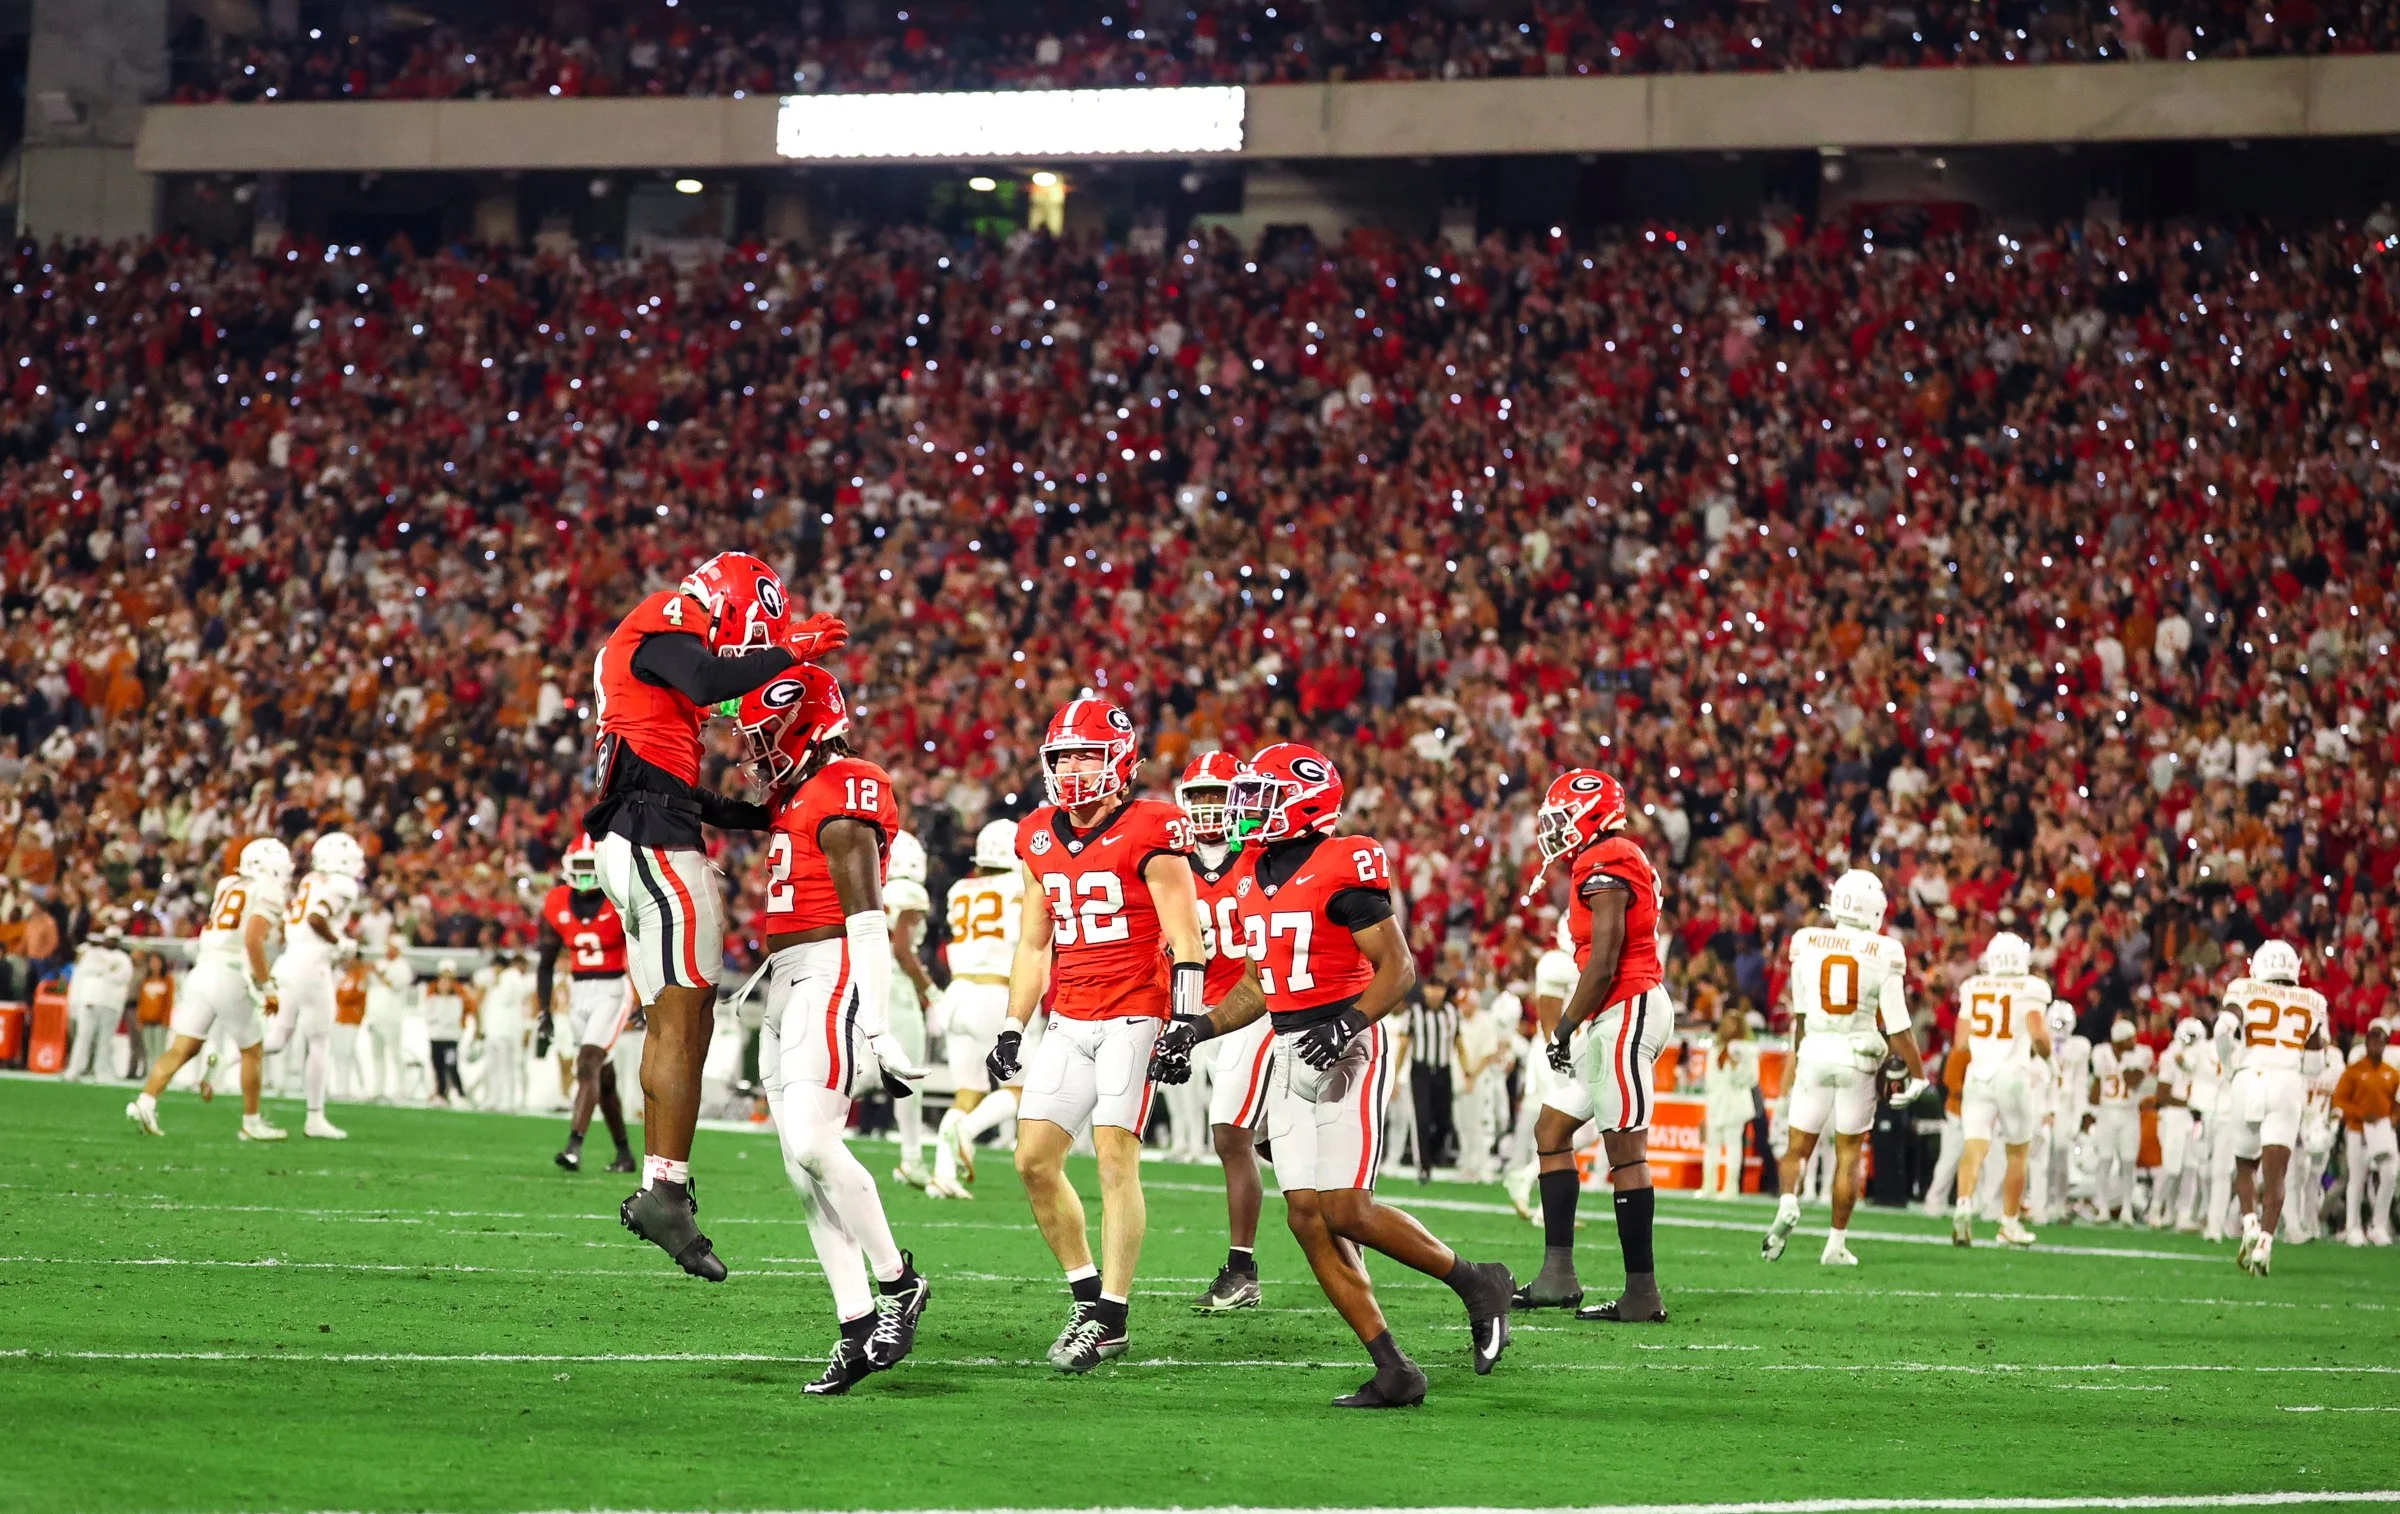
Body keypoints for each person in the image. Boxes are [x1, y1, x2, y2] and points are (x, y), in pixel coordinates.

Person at [1152, 743, 1515, 1407]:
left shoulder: (1344, 861)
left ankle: (1475, 1280)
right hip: (1293, 1049)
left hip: (1347, 1047)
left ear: (1304, 801)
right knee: (1307, 1219)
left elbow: (1398, 968)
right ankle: (1393, 1368)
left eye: (1262, 795)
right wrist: (1198, 1027)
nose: (1246, 810)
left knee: (1346, 1208)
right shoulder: (1253, 875)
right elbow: (1262, 985)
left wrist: (1345, 1024)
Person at [585, 551, 846, 1282]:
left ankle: (664, 1181)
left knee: (681, 1015)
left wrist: (747, 815)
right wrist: (790, 648)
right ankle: (665, 1188)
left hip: (641, 830)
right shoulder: (671, 613)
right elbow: (706, 677)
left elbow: (669, 772)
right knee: (683, 1011)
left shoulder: (653, 672)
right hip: (650, 838)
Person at [985, 697, 1203, 1373]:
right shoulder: (1037, 835)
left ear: (1123, 763)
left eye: (1089, 754)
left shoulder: (1153, 826)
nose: (1076, 769)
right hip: (1069, 1015)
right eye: (1065, 755)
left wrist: (1186, 1022)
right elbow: (1032, 942)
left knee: (1114, 1156)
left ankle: (1112, 1317)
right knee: (1033, 1161)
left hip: (1135, 1012)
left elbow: (1185, 934)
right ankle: (1086, 1294)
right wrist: (1013, 1023)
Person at [730, 664, 931, 1395]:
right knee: (796, 1166)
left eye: (764, 733)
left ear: (804, 724)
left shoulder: (848, 783)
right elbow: (735, 811)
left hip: (833, 968)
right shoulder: (799, 792)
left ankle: (899, 1282)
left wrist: (877, 1028)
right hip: (785, 980)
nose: (756, 751)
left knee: (816, 1146)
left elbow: (870, 922)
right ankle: (853, 1325)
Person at [1515, 768, 1676, 1321]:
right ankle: (1558, 1276)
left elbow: (1605, 959)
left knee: (1624, 1148)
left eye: (1562, 817)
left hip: (1627, 1005)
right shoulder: (1602, 857)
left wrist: (1563, 1028)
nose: (1555, 830)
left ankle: (1642, 1293)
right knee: (1551, 1129)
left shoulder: (1608, 856)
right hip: (1613, 1011)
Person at [1761, 867, 1929, 1267]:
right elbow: (1899, 1025)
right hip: (1857, 1058)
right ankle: (1835, 1244)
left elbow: (1800, 1016)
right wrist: (1919, 1075)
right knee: (1849, 1153)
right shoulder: (1883, 951)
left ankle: (1787, 1202)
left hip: (1815, 1051)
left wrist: (1799, 1062)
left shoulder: (1806, 941)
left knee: (1798, 1146)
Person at [1175, 751, 1276, 1311]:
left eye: (1221, 794)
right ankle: (1329, 1210)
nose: (1211, 807)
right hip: (1201, 1016)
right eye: (1201, 796)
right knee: (1261, 1139)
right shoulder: (1172, 861)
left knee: (1229, 1134)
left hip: (1252, 1010)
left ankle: (1242, 1268)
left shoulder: (1262, 857)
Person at [127, 838, 293, 1141]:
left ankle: (145, 1101)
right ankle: (251, 1121)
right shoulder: (268, 890)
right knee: (253, 1050)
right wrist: (267, 986)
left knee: (183, 1047)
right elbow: (252, 939)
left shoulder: (227, 884)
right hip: (227, 974)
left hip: (202, 970)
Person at [928, 818, 1025, 1200]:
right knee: (1022, 1090)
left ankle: (941, 1174)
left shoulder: (959, 888)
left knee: (967, 1092)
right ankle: (965, 1133)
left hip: (956, 995)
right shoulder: (1020, 885)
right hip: (993, 994)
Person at [2223, 938, 2330, 1276]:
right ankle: (2266, 1242)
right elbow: (2314, 1066)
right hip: (2287, 1081)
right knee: (2278, 1174)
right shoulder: (2313, 1000)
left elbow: (2222, 1030)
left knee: (2244, 1163)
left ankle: (2249, 1221)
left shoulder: (2244, 988)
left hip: (2249, 1075)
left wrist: (2229, 1065)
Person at [538, 834, 637, 1172]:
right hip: (579, 991)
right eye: (578, 866)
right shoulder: (556, 902)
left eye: (589, 865)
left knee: (587, 1062)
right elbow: (546, 961)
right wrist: (544, 1010)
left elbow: (640, 952)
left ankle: (573, 1146)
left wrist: (642, 998)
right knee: (602, 1078)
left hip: (612, 989)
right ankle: (624, 1153)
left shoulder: (619, 899)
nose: (583, 874)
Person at [1950, 931, 2054, 1248]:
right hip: (2012, 1074)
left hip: (1978, 1075)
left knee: (1974, 1146)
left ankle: (1964, 1204)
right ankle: (2009, 1223)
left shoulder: (1974, 986)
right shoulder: (2031, 987)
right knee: (2018, 1152)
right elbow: (2038, 1036)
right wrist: (2047, 1055)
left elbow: (1960, 1042)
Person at [261, 832, 366, 1140]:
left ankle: (234, 1054)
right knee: (318, 1041)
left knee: (277, 1039)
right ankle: (315, 1117)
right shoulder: (341, 884)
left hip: (289, 961)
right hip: (311, 967)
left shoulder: (310, 880)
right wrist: (341, 943)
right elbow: (316, 919)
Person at [1503, 916, 1581, 1223]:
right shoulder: (1557, 962)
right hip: (1557, 1053)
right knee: (1560, 1129)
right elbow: (1550, 1019)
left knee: (1575, 1129)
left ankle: (1534, 1188)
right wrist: (1561, 1056)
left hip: (1573, 1051)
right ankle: (1537, 1192)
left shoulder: (1576, 961)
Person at [881, 829, 938, 1191]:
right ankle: (912, 1159)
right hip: (897, 991)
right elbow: (903, 949)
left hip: (866, 982)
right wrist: (928, 989)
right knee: (908, 1077)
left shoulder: (879, 888)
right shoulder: (912, 893)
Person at [2332, 1023, 2396, 1245]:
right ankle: (2353, 1227)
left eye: (2381, 1042)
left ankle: (2379, 1225)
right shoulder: (2354, 1071)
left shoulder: (2391, 1072)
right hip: (2358, 1130)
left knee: (2389, 1175)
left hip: (2382, 1131)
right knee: (2357, 1178)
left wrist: (2393, 1120)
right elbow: (2338, 1100)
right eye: (2373, 1041)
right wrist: (2359, 1113)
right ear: (2367, 1043)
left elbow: (2396, 1102)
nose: (2377, 1046)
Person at [2088, 1018, 2153, 1223]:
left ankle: (2126, 1208)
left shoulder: (2142, 1054)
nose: (2134, 1041)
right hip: (2107, 1111)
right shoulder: (2101, 1052)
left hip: (2129, 1112)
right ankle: (2102, 1207)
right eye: (2130, 1038)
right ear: (2119, 1040)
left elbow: (2133, 1080)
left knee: (2128, 1161)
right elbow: (2097, 1084)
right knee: (2104, 1160)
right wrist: (2091, 1111)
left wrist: (2122, 1064)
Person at [2149, 1017, 2209, 1229]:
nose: (2191, 1041)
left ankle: (2183, 1214)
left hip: (2193, 1118)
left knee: (2191, 1167)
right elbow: (2162, 1096)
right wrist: (2192, 1103)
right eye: (2188, 1036)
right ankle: (2156, 1209)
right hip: (2174, 1116)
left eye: (2194, 1037)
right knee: (2171, 1167)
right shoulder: (2170, 1056)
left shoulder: (2205, 1057)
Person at [1454, 982, 1515, 1185]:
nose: (1462, 1007)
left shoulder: (1485, 1021)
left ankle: (1483, 1166)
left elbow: (1488, 1053)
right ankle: (1467, 1164)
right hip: (1460, 1078)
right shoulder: (1457, 1021)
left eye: (1465, 1003)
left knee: (1480, 1124)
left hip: (1481, 1080)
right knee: (1462, 1124)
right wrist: (1465, 1075)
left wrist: (1472, 1075)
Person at [1404, 979, 1462, 1182]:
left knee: (1445, 1121)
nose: (1436, 992)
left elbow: (1458, 1041)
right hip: (1421, 1071)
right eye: (1432, 987)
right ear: (1425, 990)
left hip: (1443, 1071)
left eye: (1440, 987)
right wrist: (1397, 1072)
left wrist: (1467, 1071)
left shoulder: (1452, 1012)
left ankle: (1434, 1153)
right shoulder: (1414, 1012)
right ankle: (1424, 1167)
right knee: (1423, 1118)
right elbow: (1405, 1042)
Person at [64, 922, 135, 1081]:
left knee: (105, 1040)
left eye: (114, 939)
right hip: (90, 1001)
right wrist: (108, 969)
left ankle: (100, 1072)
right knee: (83, 1038)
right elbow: (85, 971)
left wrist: (102, 972)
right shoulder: (92, 953)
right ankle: (74, 1070)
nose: (111, 941)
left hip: (110, 1004)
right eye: (109, 938)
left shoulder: (123, 959)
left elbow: (122, 977)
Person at [2044, 1002, 2093, 1225]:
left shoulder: (2079, 1046)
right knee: (2040, 1155)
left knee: (2062, 1153)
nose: (2059, 1026)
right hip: (2043, 1102)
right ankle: (2038, 1201)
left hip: (2064, 1103)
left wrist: (2079, 1113)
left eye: (2063, 1022)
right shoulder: (2040, 1040)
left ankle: (2059, 1202)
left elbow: (2081, 1082)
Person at [1702, 1011, 1760, 1199]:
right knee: (1711, 1145)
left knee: (1733, 1146)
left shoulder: (1748, 1049)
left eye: (1732, 1024)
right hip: (1716, 1102)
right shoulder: (1715, 1048)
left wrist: (1737, 1068)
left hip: (1736, 1103)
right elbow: (1710, 1079)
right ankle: (1708, 1186)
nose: (1727, 1028)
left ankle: (1730, 1188)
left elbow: (1752, 1079)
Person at [480, 948, 538, 1113]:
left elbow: (512, 996)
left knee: (507, 1067)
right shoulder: (494, 982)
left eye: (497, 966)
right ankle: (493, 1098)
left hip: (507, 1031)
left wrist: (501, 980)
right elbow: (488, 1007)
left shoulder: (511, 978)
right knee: (492, 1066)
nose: (494, 970)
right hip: (493, 1031)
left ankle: (508, 1100)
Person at [362, 936, 417, 1104]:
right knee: (376, 1055)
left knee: (395, 1053)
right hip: (375, 1015)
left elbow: (393, 985)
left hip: (391, 1016)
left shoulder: (402, 967)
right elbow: (367, 985)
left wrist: (377, 973)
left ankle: (401, 1089)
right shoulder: (380, 963)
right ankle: (378, 1088)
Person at [422, 959, 477, 1107]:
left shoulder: (458, 997)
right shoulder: (432, 996)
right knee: (437, 1065)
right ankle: (440, 1093)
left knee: (451, 1065)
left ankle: (459, 1093)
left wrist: (441, 1020)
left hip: (451, 1037)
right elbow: (428, 1015)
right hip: (436, 1036)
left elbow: (455, 1017)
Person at [331, 955, 368, 1103]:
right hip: (340, 1018)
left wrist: (343, 997)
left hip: (352, 1018)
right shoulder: (345, 976)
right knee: (339, 1052)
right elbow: (339, 995)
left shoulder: (361, 976)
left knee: (348, 1052)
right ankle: (341, 1087)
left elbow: (350, 996)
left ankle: (358, 1086)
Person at [133, 953, 174, 1083]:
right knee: (149, 1051)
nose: (154, 965)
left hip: (160, 1021)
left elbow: (168, 1002)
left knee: (159, 1051)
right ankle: (150, 1075)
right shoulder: (146, 980)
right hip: (147, 1021)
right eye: (152, 962)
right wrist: (140, 1019)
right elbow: (141, 1003)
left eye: (157, 962)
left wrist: (166, 1020)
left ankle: (161, 1076)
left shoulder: (167, 980)